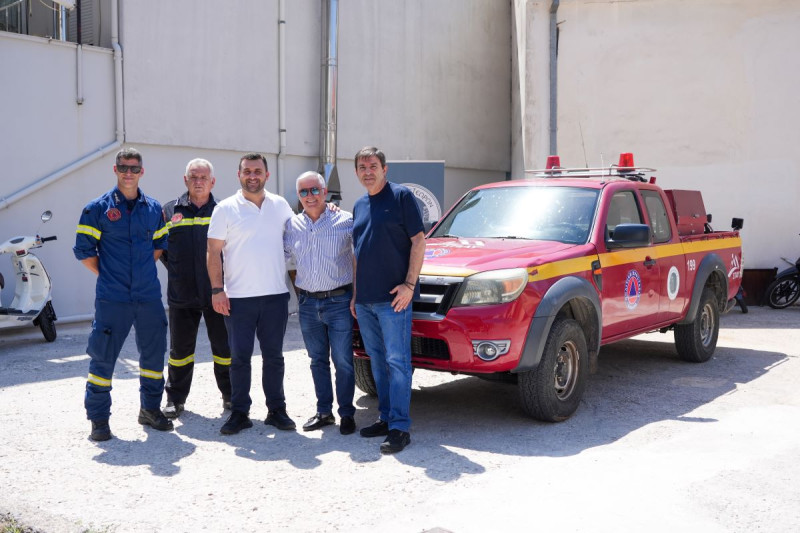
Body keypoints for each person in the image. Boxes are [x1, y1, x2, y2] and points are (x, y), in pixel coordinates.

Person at [73, 147, 173, 441]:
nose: (129, 173)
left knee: (153, 356)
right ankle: (99, 420)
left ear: (142, 171)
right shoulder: (96, 209)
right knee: (102, 359)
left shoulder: (154, 209)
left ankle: (150, 410)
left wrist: (138, 274)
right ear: (115, 170)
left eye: (134, 168)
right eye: (123, 167)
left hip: (148, 297)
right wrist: (110, 275)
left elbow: (158, 246)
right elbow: (84, 252)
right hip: (113, 298)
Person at [207, 153, 296, 435]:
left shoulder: (280, 205)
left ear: (267, 175)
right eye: (247, 171)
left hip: (275, 296)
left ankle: (276, 410)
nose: (252, 176)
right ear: (239, 175)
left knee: (274, 357)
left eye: (257, 171)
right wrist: (217, 290)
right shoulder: (224, 209)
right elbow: (213, 252)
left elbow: (299, 235)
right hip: (238, 299)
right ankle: (240, 412)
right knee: (239, 358)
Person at [351, 146, 425, 454]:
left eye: (373, 166)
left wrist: (409, 285)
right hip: (365, 301)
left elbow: (419, 241)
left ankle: (400, 427)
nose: (367, 171)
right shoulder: (359, 205)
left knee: (397, 362)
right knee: (378, 361)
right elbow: (357, 254)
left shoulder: (401, 196)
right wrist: (356, 295)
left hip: (394, 299)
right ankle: (385, 417)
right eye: (362, 167)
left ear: (384, 169)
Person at [284, 171, 356, 435]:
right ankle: (324, 412)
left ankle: (346, 413)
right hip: (307, 304)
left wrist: (357, 295)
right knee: (317, 360)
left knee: (343, 361)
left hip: (339, 301)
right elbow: (281, 256)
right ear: (298, 196)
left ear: (325, 192)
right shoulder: (292, 225)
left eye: (315, 190)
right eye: (303, 191)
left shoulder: (345, 220)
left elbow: (358, 258)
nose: (310, 196)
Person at [159, 158, 232, 419]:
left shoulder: (224, 210)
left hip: (217, 293)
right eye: (193, 177)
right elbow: (162, 249)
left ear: (213, 182)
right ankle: (175, 399)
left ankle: (231, 396)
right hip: (182, 293)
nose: (198, 181)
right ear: (185, 180)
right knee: (179, 352)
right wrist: (180, 270)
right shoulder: (169, 211)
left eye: (203, 178)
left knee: (224, 350)